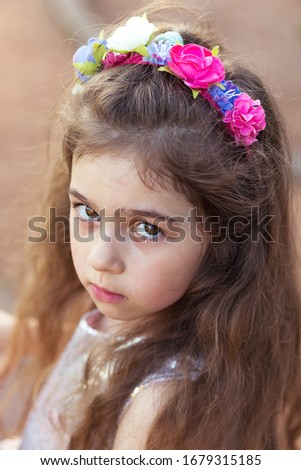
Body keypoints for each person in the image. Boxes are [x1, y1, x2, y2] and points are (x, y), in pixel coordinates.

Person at [1, 0, 301, 450]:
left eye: (147, 230)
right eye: (87, 211)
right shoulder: (126, 312)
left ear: (223, 239)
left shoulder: (161, 408)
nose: (101, 258)